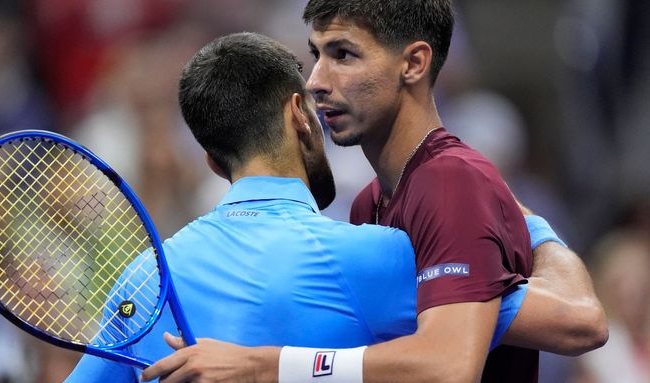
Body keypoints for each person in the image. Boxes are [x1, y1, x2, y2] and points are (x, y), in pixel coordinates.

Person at [141, 1, 607, 383]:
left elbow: (450, 365)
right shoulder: (370, 201)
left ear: (414, 63)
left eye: (343, 55)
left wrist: (262, 363)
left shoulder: (451, 182)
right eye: (317, 54)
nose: (315, 82)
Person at [64, 31, 522, 383]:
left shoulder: (146, 279)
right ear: (299, 115)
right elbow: (573, 322)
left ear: (211, 160)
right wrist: (526, 224)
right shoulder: (374, 256)